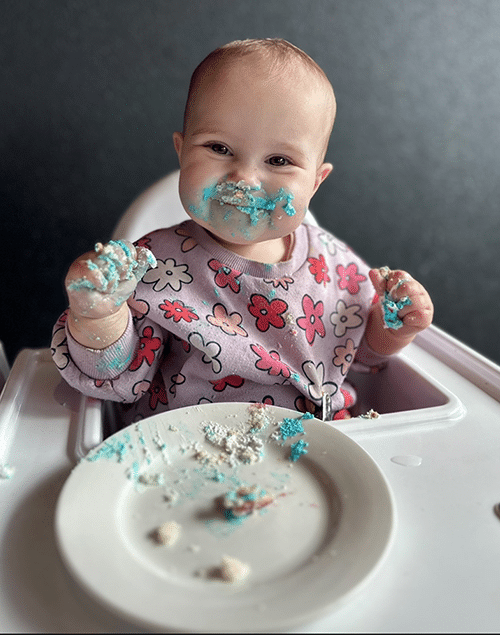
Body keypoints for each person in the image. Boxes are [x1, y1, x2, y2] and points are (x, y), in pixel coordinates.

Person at [51, 38, 433, 425]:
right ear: (182, 152)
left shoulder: (335, 266)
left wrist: (394, 328)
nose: (245, 178)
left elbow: (364, 357)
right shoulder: (154, 265)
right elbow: (111, 378)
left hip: (319, 450)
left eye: (279, 160)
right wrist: (99, 317)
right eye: (218, 148)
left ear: (316, 182)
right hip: (187, 449)